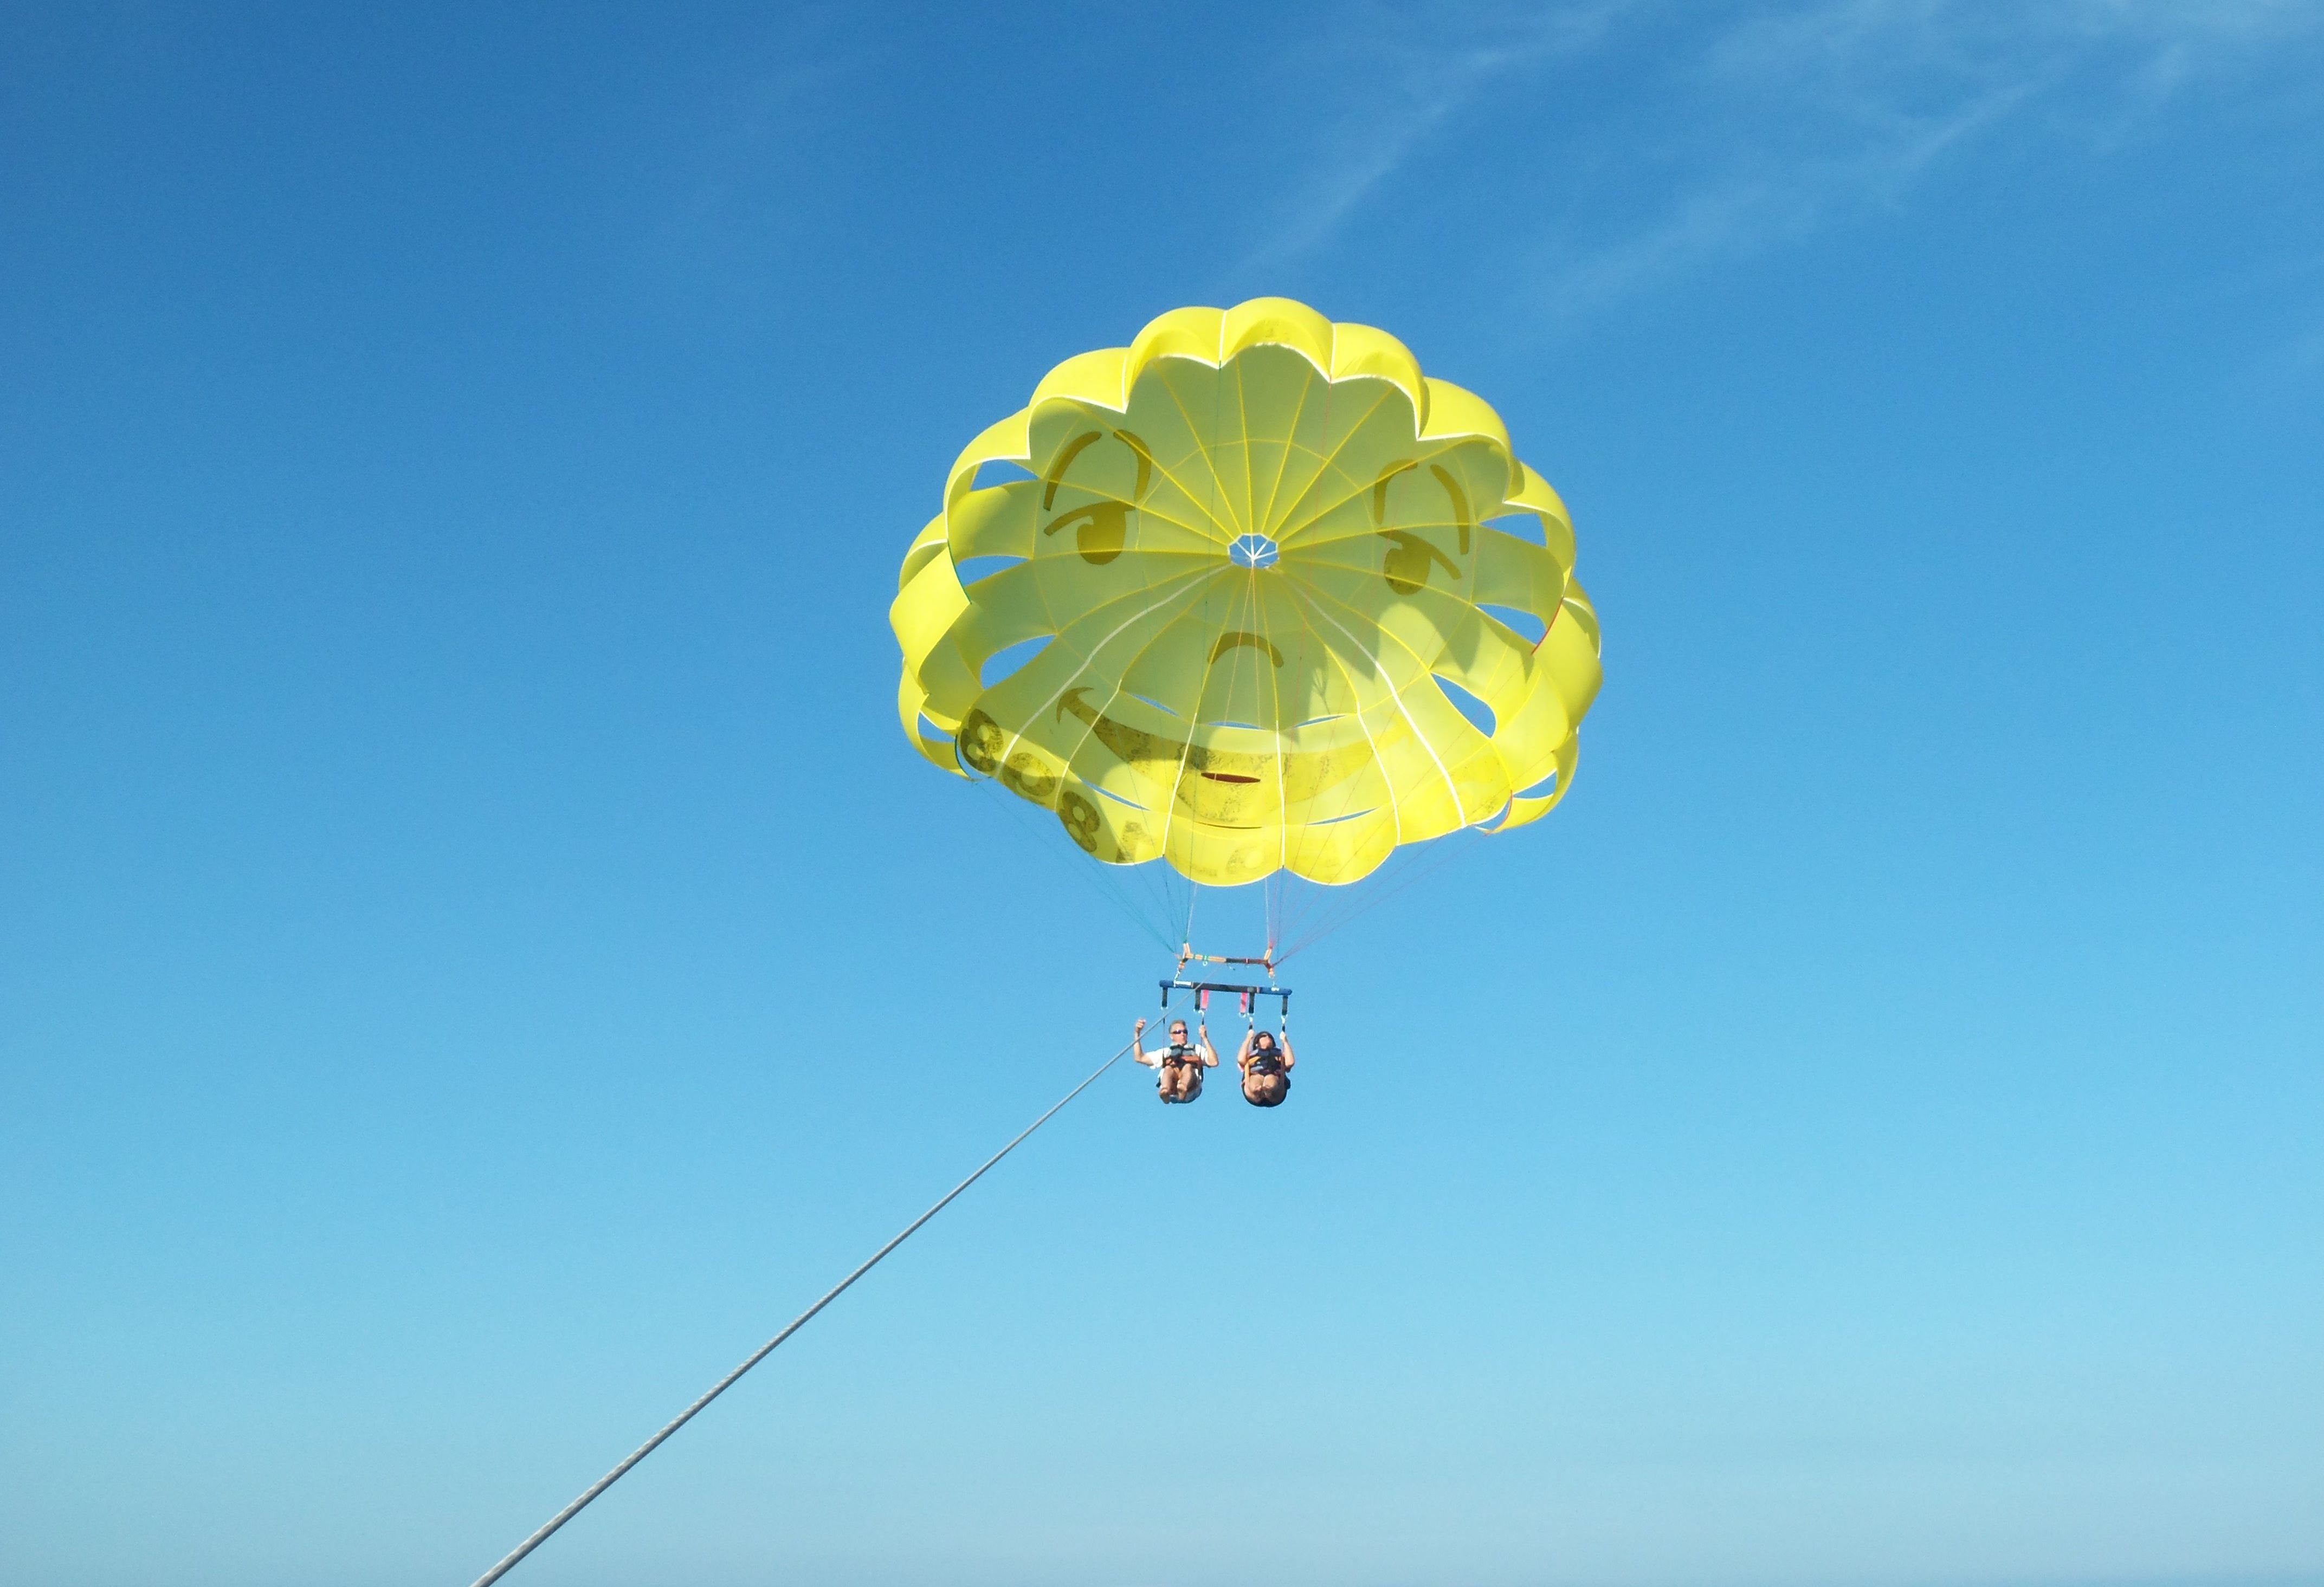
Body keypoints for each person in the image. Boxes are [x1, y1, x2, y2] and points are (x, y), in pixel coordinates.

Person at [1134, 1015, 1216, 1104]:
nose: (1183, 1034)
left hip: (1192, 1089)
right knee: (1168, 1069)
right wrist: (1137, 1033)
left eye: (1185, 1032)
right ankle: (1165, 1091)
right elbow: (1139, 1057)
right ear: (1171, 1036)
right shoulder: (1166, 1052)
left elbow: (1214, 1062)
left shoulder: (1196, 1049)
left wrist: (1205, 1038)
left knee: (1188, 1067)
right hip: (1173, 1091)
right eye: (1178, 1032)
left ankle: (1183, 1088)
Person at [1237, 1027, 1294, 1107]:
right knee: (1257, 1079)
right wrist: (1249, 1038)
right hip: (1254, 1085)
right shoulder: (1251, 1055)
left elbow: (1290, 1063)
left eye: (1270, 1037)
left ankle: (1269, 1089)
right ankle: (1256, 1089)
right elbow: (1241, 1060)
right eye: (1264, 1036)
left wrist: (1285, 1041)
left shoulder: (1280, 1055)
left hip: (1276, 1090)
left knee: (1270, 1079)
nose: (1268, 1038)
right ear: (1257, 1043)